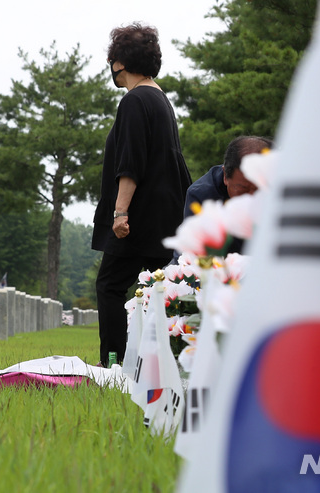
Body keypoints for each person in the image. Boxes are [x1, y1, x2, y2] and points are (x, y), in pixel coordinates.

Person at [92, 23, 192, 368]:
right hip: (164, 216)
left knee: (109, 286)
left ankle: (113, 364)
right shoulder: (160, 99)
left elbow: (130, 163)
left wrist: (120, 214)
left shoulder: (135, 100)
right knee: (161, 290)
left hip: (137, 220)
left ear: (119, 61)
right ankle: (165, 362)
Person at [182, 136, 273, 255]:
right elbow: (191, 253)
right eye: (243, 189)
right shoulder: (202, 195)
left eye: (259, 189)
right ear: (225, 176)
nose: (251, 198)